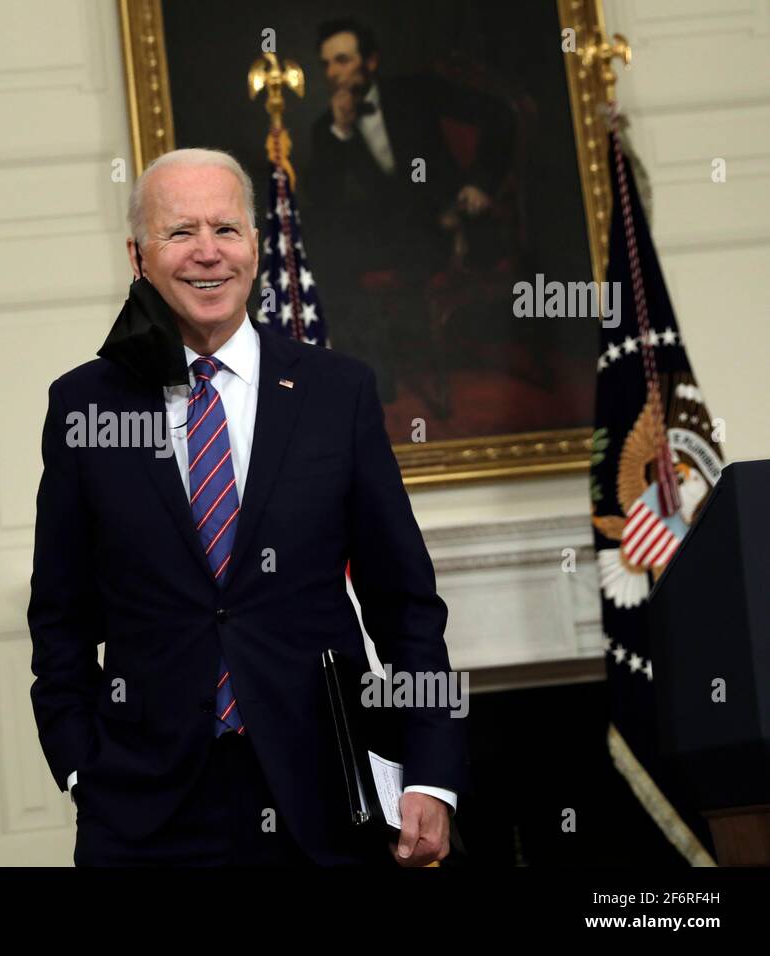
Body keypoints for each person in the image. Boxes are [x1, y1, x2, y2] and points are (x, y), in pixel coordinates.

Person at [27, 148, 468, 866]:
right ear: (138, 255)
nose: (208, 253)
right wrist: (82, 767)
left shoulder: (337, 394)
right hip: (145, 812)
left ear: (257, 249)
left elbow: (406, 605)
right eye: (181, 233)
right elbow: (61, 620)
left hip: (326, 800)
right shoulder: (84, 405)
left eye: (226, 230)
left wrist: (431, 774)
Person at [304, 17, 512, 409]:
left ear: (370, 62)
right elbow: (323, 204)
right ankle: (371, 380)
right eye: (327, 64)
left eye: (343, 60)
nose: (333, 73)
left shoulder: (418, 91)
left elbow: (499, 115)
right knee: (326, 248)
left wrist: (481, 183)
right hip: (392, 235)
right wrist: (342, 132)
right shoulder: (326, 129)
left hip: (449, 221)